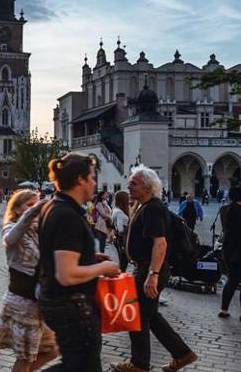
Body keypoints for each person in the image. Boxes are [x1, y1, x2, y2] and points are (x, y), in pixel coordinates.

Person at [37, 153, 121, 372]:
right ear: (80, 179)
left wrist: (89, 258)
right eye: (92, 177)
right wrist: (104, 268)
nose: (94, 183)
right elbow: (67, 274)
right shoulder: (67, 215)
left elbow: (58, 254)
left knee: (80, 364)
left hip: (61, 303)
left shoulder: (54, 206)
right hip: (72, 306)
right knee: (81, 366)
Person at [111, 166, 197, 372]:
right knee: (150, 315)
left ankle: (139, 364)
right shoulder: (144, 206)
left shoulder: (153, 208)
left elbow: (160, 243)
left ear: (147, 187)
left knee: (137, 315)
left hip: (149, 269)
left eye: (134, 183)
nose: (128, 186)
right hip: (145, 268)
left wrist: (153, 274)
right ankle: (183, 354)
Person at [0, 189, 58, 372]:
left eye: (36, 204)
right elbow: (10, 239)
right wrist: (34, 211)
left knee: (52, 350)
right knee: (25, 358)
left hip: (40, 301)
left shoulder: (39, 229)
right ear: (17, 209)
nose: (34, 209)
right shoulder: (11, 226)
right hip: (23, 301)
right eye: (29, 205)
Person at [219, 186, 241, 319]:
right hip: (239, 251)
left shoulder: (225, 209)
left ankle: (224, 309)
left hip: (228, 250)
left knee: (231, 281)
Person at [111, 191, 131, 272]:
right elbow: (120, 229)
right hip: (122, 239)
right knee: (123, 263)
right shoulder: (119, 212)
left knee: (122, 262)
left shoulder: (115, 209)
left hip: (118, 239)